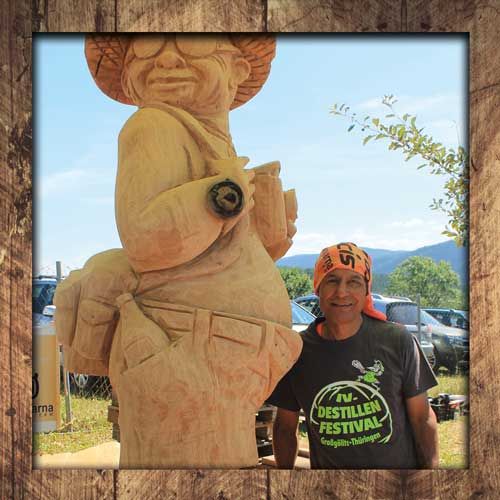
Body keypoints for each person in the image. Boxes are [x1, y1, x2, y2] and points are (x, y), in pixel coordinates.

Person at [55, 34, 302, 468]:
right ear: (130, 78)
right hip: (181, 347)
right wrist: (225, 196)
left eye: (192, 46)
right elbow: (147, 239)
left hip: (203, 349)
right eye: (148, 50)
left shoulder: (206, 139)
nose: (168, 59)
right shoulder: (154, 125)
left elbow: (200, 255)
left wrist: (262, 241)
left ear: (237, 70)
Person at [268, 242, 439, 469]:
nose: (341, 292)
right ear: (317, 288)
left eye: (354, 282)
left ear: (366, 291)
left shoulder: (397, 341)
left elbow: (422, 418)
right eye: (332, 280)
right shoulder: (297, 351)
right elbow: (285, 427)